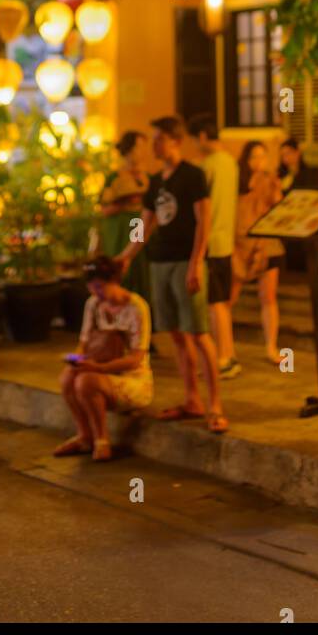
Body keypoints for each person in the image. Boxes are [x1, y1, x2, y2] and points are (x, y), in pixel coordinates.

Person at [119, 115, 227, 433]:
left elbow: (203, 221)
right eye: (153, 138)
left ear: (175, 141)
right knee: (177, 335)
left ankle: (215, 404)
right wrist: (125, 256)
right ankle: (191, 399)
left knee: (198, 331)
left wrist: (196, 262)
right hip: (160, 261)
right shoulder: (156, 181)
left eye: (159, 139)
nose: (153, 144)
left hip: (185, 260)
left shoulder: (193, 175)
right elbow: (146, 223)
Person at [55, 254, 153, 462]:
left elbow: (135, 359)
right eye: (91, 287)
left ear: (114, 281)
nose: (95, 293)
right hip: (98, 367)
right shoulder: (93, 304)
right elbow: (84, 342)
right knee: (67, 377)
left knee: (86, 381)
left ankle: (102, 440)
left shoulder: (137, 307)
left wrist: (98, 368)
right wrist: (77, 360)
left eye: (99, 287)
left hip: (132, 378)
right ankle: (84, 436)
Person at [187, 113, 240, 379]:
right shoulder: (230, 162)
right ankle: (228, 355)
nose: (194, 145)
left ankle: (223, 357)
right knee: (222, 303)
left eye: (194, 140)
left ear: (203, 137)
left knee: (215, 302)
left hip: (211, 241)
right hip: (226, 240)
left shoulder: (205, 167)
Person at [231, 141, 284, 363]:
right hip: (240, 244)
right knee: (228, 298)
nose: (258, 161)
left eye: (262, 156)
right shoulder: (236, 181)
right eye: (254, 156)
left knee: (268, 297)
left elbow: (280, 207)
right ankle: (224, 347)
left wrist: (274, 187)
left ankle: (271, 347)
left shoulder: (270, 180)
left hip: (267, 243)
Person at [97, 132, 151, 303]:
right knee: (120, 265)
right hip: (120, 228)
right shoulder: (114, 178)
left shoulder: (148, 177)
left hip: (139, 224)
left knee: (140, 267)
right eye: (138, 147)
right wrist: (124, 203)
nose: (141, 152)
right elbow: (104, 209)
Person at [276, 137, 318, 273]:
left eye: (288, 153)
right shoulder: (281, 175)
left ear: (297, 153)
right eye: (283, 155)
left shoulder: (308, 174)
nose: (285, 158)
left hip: (304, 218)